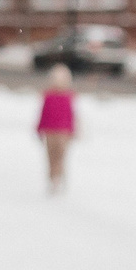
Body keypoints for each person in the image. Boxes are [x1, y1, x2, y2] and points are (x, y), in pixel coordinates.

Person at [38, 62, 78, 193]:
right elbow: (43, 113)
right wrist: (39, 128)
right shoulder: (48, 96)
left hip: (63, 132)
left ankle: (59, 178)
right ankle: (52, 178)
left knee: (60, 156)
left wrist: (73, 130)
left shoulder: (68, 97)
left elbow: (72, 115)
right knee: (50, 156)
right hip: (50, 131)